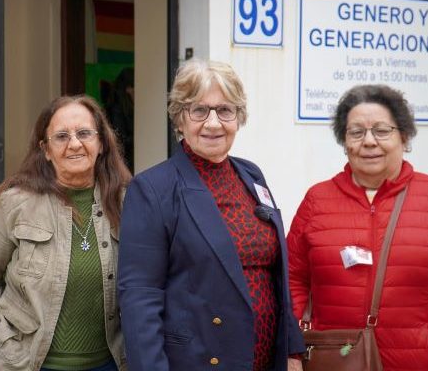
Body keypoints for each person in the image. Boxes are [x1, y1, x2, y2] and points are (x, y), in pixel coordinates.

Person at [117, 59, 305, 371]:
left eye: (225, 110)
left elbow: (277, 277)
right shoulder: (152, 189)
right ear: (180, 119)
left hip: (266, 361)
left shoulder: (252, 175)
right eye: (199, 110)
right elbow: (140, 300)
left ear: (239, 117)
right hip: (199, 360)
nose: (213, 123)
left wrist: (292, 350)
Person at [287, 84, 428, 370]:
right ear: (345, 141)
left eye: (382, 130)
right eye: (356, 132)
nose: (369, 141)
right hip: (334, 361)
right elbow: (292, 278)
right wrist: (297, 339)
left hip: (415, 363)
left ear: (403, 136)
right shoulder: (317, 200)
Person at [0, 95, 131, 371]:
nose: (75, 144)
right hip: (28, 364)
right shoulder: (16, 202)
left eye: (84, 133)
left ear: (101, 143)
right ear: (46, 149)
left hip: (109, 364)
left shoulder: (128, 203)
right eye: (62, 136)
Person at [105, 67, 134, 172]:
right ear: (127, 89)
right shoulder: (116, 109)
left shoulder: (124, 107)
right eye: (133, 87)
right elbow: (120, 139)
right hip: (123, 163)